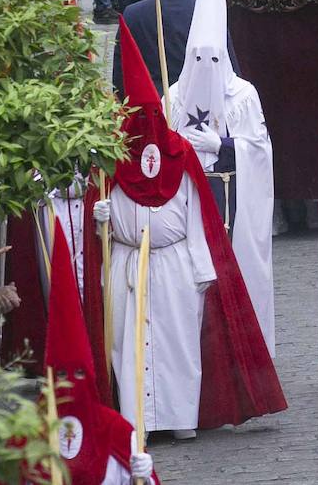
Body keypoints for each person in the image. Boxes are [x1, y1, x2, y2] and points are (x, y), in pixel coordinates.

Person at [85, 23, 286, 440]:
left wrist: (201, 268)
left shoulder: (182, 156)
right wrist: (100, 217)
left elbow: (198, 216)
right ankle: (138, 418)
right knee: (127, 343)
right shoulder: (112, 161)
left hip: (175, 260)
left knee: (179, 342)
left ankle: (180, 418)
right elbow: (97, 208)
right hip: (125, 260)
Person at [170, 0, 275, 357]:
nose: (205, 63)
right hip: (192, 207)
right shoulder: (175, 98)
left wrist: (224, 145)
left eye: (213, 56)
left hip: (234, 206)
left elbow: (261, 150)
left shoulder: (243, 96)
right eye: (198, 57)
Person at [44, 224, 156, 485]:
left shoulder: (117, 430)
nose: (70, 382)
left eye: (79, 372)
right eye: (61, 374)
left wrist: (144, 477)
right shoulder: (28, 434)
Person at [112, 0, 199, 98]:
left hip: (150, 104)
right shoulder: (203, 11)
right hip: (193, 104)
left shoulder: (133, 13)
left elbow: (121, 68)